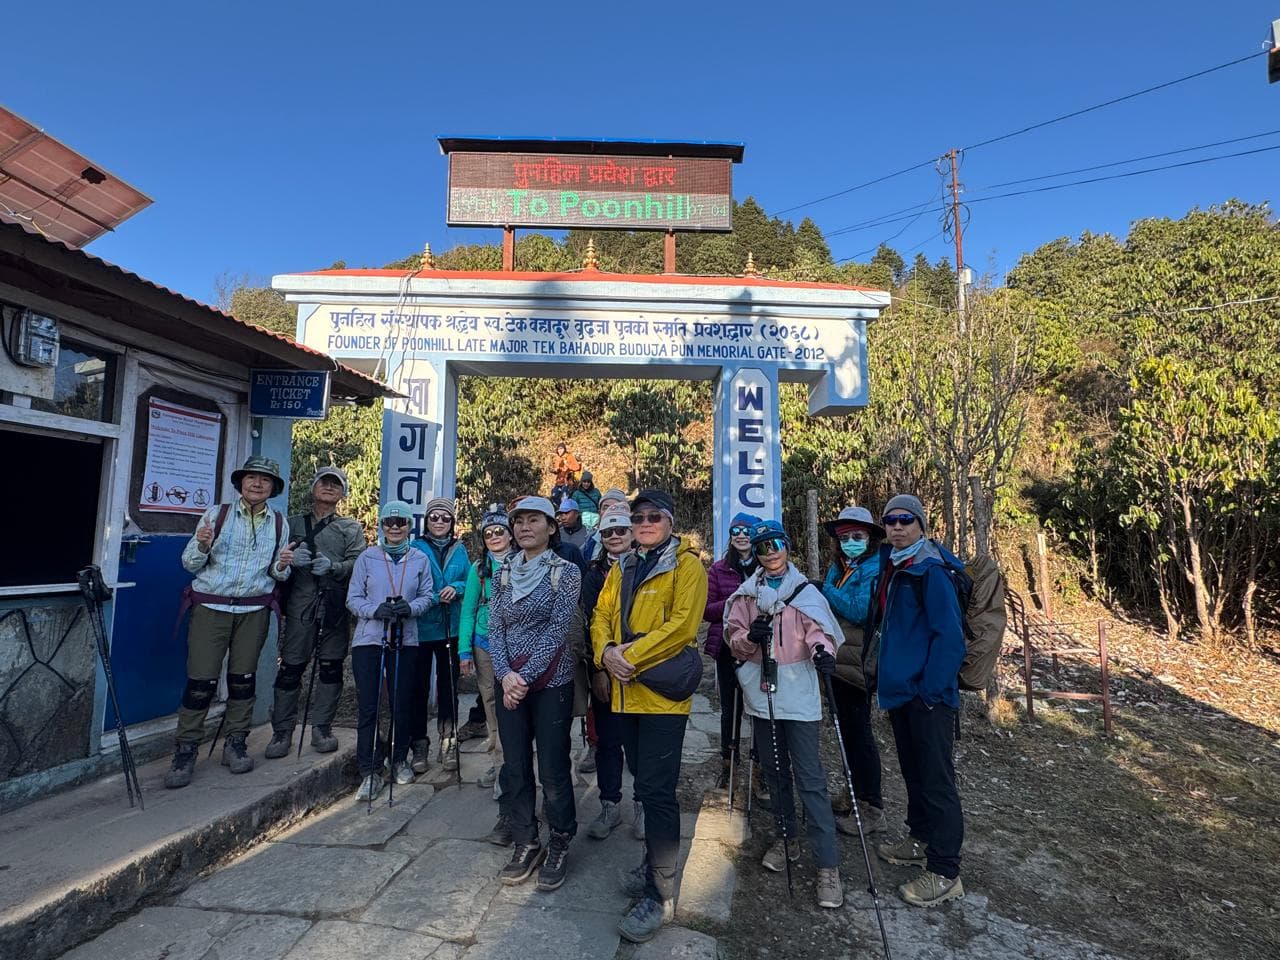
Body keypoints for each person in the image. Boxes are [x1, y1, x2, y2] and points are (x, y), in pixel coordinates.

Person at [591, 489, 708, 944]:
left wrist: (628, 656)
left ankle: (659, 895)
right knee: (641, 781)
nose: (643, 522)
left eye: (652, 516)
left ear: (670, 521)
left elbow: (682, 625)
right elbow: (601, 613)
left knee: (657, 793)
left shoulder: (687, 565)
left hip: (661, 699)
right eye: (636, 516)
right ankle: (652, 865)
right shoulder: (622, 566)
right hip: (625, 696)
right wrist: (605, 651)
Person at [725, 519, 845, 910]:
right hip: (764, 693)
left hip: (800, 692)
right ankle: (786, 837)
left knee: (809, 775)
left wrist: (822, 651)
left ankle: (828, 864)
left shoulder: (804, 591)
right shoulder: (746, 595)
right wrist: (748, 639)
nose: (770, 551)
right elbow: (734, 638)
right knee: (775, 771)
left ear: (788, 546)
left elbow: (817, 630)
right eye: (762, 546)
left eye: (776, 543)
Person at [165, 456, 295, 789]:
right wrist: (202, 545)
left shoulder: (279, 523)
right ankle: (186, 748)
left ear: (273, 488)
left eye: (265, 480)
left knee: (243, 680)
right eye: (252, 477)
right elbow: (190, 563)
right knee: (201, 682)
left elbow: (277, 574)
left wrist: (283, 566)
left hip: (253, 610)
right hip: (211, 606)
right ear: (241, 483)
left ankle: (235, 742)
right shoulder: (216, 515)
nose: (258, 484)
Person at [869, 494, 967, 906]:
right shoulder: (896, 566)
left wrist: (931, 689)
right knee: (913, 769)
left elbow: (950, 637)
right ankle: (919, 838)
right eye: (890, 520)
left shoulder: (931, 571)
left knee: (936, 778)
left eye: (905, 520)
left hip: (927, 694)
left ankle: (945, 870)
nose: (896, 527)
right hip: (903, 691)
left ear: (921, 524)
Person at [487, 495, 582, 891]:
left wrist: (522, 678)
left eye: (534, 520)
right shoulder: (504, 571)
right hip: (510, 681)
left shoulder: (567, 572)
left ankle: (560, 838)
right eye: (519, 521)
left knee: (554, 768)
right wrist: (506, 675)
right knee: (515, 765)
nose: (525, 527)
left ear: (551, 527)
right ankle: (526, 840)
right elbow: (495, 627)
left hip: (550, 683)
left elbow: (558, 628)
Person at [265, 466, 366, 759]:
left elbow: (358, 562)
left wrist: (334, 567)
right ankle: (281, 731)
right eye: (324, 482)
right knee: (291, 668)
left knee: (331, 668)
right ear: (313, 487)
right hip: (300, 605)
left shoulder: (350, 528)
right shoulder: (290, 523)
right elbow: (273, 560)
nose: (330, 488)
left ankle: (322, 727)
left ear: (343, 493)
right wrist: (288, 559)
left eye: (337, 484)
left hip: (335, 606)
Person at [346, 501, 436, 799]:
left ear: (409, 526)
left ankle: (399, 759)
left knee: (402, 703)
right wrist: (376, 610)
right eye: (389, 522)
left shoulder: (419, 558)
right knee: (369, 706)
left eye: (401, 522)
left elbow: (427, 596)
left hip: (405, 639)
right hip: (369, 640)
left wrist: (409, 607)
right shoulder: (367, 557)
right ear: (381, 525)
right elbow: (353, 599)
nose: (395, 527)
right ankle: (370, 769)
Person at [820, 505, 887, 836]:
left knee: (859, 735)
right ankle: (854, 794)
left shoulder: (874, 568)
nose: (850, 542)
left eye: (857, 536)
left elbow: (860, 610)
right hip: (836, 660)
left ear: (870, 538)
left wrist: (825, 590)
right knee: (845, 732)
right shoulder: (840, 566)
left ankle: (871, 805)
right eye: (844, 537)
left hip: (858, 665)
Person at [581, 505, 636, 839]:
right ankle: (610, 804)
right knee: (608, 742)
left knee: (641, 743)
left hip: (641, 668)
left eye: (620, 531)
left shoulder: (650, 566)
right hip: (604, 666)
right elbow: (589, 623)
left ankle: (643, 805)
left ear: (631, 533)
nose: (615, 537)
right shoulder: (593, 574)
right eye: (608, 533)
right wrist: (598, 670)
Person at [409, 497, 471, 773]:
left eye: (445, 518)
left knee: (448, 687)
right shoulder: (414, 547)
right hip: (422, 627)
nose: (439, 522)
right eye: (434, 517)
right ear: (426, 520)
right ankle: (419, 744)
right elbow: (409, 583)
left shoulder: (460, 549)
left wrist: (456, 587)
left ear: (452, 522)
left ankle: (448, 741)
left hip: (451, 626)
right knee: (418, 688)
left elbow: (469, 580)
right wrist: (434, 596)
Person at [702, 512, 760, 790]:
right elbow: (706, 610)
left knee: (759, 708)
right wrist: (736, 601)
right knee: (730, 709)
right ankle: (729, 763)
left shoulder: (766, 566)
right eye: (735, 530)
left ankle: (760, 768)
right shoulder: (719, 569)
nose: (740, 535)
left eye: (746, 530)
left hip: (761, 648)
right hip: (728, 646)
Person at [459, 504, 513, 794]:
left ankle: (514, 760)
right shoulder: (479, 569)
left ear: (510, 533)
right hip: (485, 642)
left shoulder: (523, 560)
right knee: (490, 701)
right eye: (488, 532)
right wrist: (464, 651)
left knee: (513, 701)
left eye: (499, 531)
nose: (494, 536)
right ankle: (500, 761)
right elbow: (467, 611)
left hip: (517, 642)